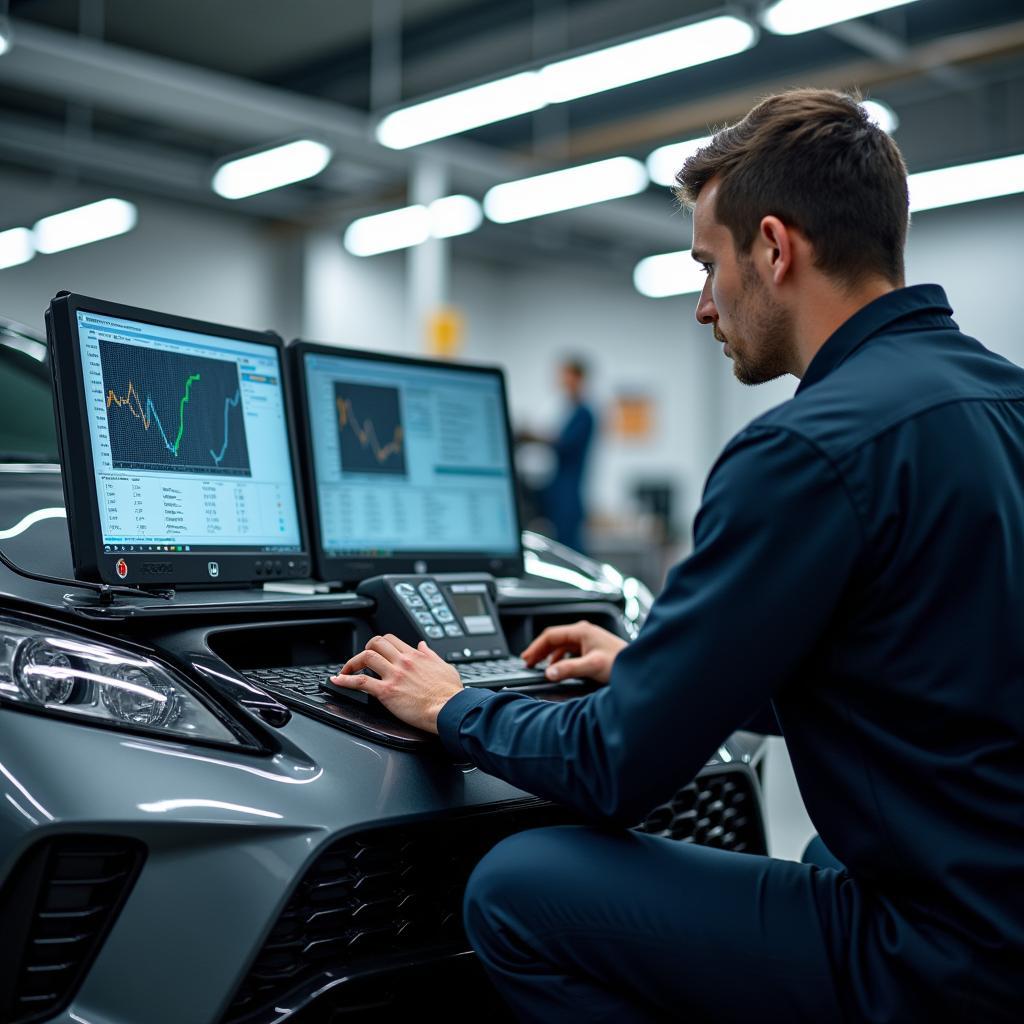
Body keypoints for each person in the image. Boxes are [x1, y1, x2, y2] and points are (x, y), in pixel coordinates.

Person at [328, 89, 1024, 1021]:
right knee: (820, 854)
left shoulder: (805, 449)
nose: (702, 306)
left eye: (708, 266)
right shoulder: (1001, 402)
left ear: (774, 250)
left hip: (942, 957)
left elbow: (616, 769)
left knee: (521, 886)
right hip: (1000, 910)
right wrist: (661, 669)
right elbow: (930, 668)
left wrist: (455, 705)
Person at [540, 357, 596, 553]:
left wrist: (536, 437)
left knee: (570, 551)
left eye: (567, 376)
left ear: (578, 378)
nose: (563, 381)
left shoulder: (584, 414)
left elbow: (565, 445)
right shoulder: (567, 411)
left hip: (568, 493)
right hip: (558, 490)